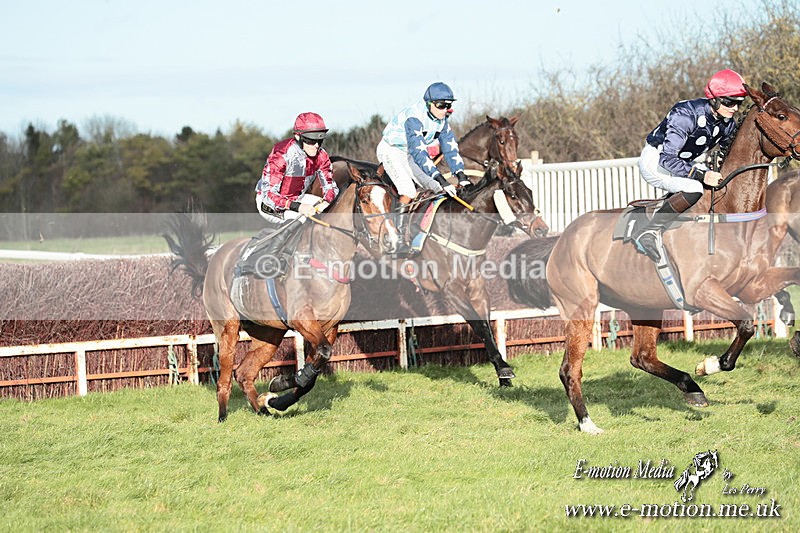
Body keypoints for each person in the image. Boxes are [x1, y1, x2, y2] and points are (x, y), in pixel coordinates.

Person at [634, 68, 748, 262]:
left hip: (686, 162)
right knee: (695, 186)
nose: (735, 108)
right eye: (730, 102)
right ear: (715, 99)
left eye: (739, 103)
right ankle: (648, 232)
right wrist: (702, 176)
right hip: (657, 161)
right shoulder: (685, 115)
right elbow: (667, 159)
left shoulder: (727, 123)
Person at [377, 81, 471, 255]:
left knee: (437, 189)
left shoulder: (442, 121)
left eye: (448, 106)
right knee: (408, 190)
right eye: (441, 105)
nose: (445, 110)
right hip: (392, 151)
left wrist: (462, 176)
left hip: (410, 155)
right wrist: (441, 178)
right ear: (429, 104)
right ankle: (396, 238)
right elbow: (420, 153)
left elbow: (451, 149)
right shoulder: (414, 118)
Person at [249, 112, 339, 275]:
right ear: (298, 137)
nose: (317, 145)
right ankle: (270, 260)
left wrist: (327, 200)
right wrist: (298, 207)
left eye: (319, 140)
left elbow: (331, 187)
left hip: (297, 198)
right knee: (299, 218)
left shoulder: (321, 156)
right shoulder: (281, 155)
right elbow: (270, 196)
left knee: (331, 209)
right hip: (268, 202)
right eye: (311, 141)